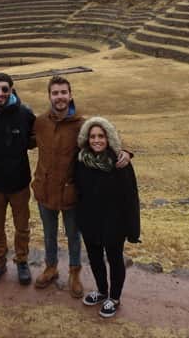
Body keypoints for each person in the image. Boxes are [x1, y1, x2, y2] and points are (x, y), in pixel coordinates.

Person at [31, 75, 132, 298]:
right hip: (44, 188)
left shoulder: (81, 124)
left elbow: (106, 138)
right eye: (55, 93)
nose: (59, 97)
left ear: (70, 95)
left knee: (74, 235)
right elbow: (24, 140)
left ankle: (74, 272)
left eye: (63, 92)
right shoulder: (40, 122)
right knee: (49, 234)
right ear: (49, 96)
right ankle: (50, 267)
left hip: (70, 191)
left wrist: (125, 151)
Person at [74, 116, 140, 318]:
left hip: (114, 223)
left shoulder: (120, 162)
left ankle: (115, 297)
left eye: (101, 136)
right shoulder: (81, 161)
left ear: (108, 138)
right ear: (86, 138)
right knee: (95, 258)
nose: (96, 140)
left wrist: (132, 230)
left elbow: (131, 197)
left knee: (114, 258)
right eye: (92, 136)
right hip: (90, 221)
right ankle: (102, 292)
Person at [0, 72, 35, 285]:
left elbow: (38, 138)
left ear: (11, 89)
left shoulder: (25, 114)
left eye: (5, 89)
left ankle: (22, 261)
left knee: (22, 227)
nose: (0, 93)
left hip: (19, 183)